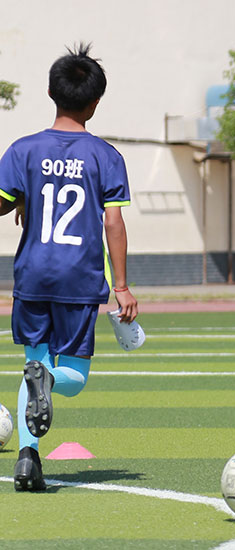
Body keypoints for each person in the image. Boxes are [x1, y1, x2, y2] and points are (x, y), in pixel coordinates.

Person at [0, 44, 139, 491]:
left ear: (48, 92)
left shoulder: (22, 151)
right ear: (95, 103)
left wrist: (23, 197)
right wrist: (123, 287)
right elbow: (112, 222)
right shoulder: (105, 156)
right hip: (79, 279)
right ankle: (49, 382)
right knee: (72, 378)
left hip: (32, 274)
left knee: (32, 364)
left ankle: (27, 458)